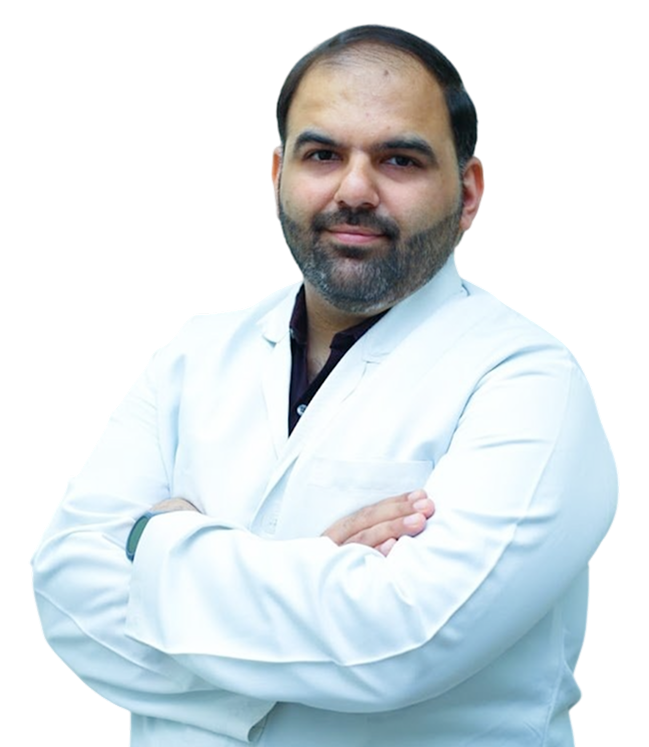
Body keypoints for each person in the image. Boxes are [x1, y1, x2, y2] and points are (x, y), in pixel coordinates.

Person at [29, 24, 618, 746]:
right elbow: (63, 590)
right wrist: (320, 588)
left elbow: (402, 645)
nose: (354, 190)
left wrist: (159, 539)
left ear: (467, 193)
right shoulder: (195, 351)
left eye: (399, 159)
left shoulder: (529, 382)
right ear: (277, 176)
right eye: (322, 155)